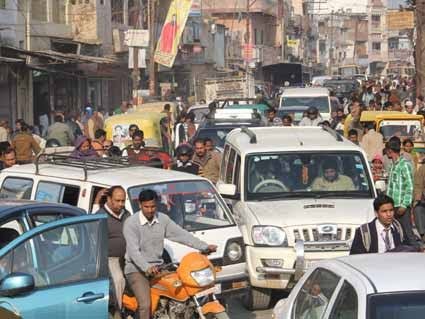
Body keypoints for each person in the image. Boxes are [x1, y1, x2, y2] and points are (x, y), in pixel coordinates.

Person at [123, 189, 217, 319]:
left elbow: (181, 234)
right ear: (139, 205)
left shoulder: (163, 219)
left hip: (159, 268)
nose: (150, 210)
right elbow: (133, 251)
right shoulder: (131, 223)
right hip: (136, 269)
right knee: (145, 305)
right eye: (146, 207)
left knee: (184, 291)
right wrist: (147, 268)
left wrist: (204, 246)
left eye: (153, 206)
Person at [95, 186, 130, 317]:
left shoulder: (126, 214)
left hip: (128, 257)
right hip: (110, 259)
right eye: (118, 200)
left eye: (123, 201)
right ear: (109, 199)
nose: (121, 204)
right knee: (118, 281)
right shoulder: (100, 216)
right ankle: (117, 312)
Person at [386, 136, 418, 247]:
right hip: (392, 205)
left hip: (401, 206)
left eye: (387, 150)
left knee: (408, 234)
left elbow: (410, 186)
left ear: (390, 151)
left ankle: (418, 255)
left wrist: (404, 205)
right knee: (396, 234)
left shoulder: (404, 164)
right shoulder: (393, 166)